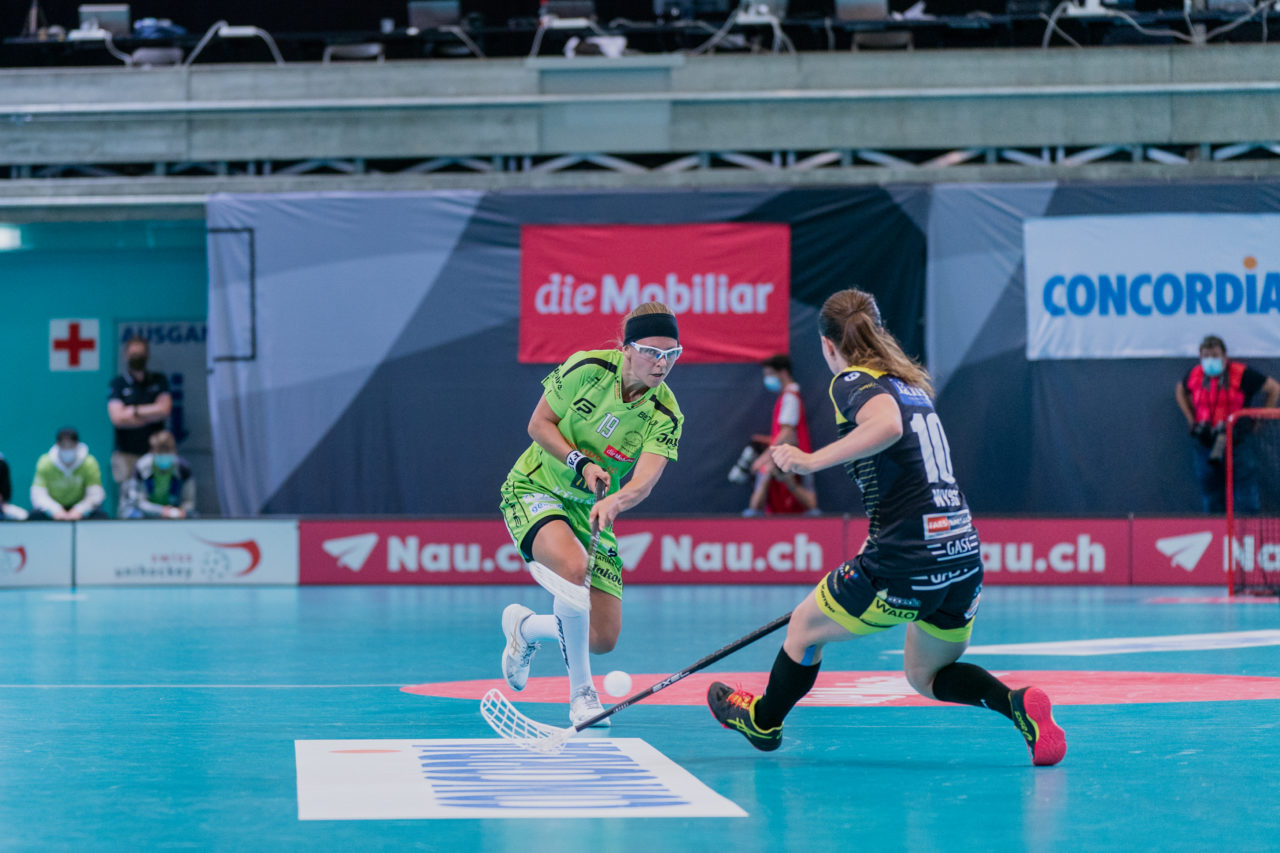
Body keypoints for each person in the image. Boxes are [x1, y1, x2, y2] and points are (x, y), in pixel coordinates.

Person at [706, 288, 1066, 767]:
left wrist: (810, 460)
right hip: (960, 558)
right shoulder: (909, 384)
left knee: (802, 630)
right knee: (926, 674)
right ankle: (1016, 705)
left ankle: (764, 722)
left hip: (907, 562)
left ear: (827, 346)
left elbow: (888, 427)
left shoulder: (852, 380)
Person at [498, 302, 684, 726]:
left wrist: (615, 501)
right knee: (572, 567)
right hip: (536, 487)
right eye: (653, 352)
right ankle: (582, 695)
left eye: (672, 354)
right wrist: (581, 462)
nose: (662, 364)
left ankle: (525, 629)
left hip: (594, 510)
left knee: (601, 638)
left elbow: (644, 481)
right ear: (627, 349)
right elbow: (539, 424)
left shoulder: (666, 413)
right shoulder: (588, 368)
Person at [1174, 334, 1280, 514]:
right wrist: (1191, 420)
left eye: (1215, 356)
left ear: (1224, 356)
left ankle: (1247, 536)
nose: (1210, 360)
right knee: (1211, 496)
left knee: (1246, 496)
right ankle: (1216, 534)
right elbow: (1180, 390)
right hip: (1206, 444)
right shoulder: (1195, 374)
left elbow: (1274, 388)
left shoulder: (1241, 373)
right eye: (1206, 356)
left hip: (1237, 443)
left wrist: (1261, 417)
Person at [743, 353, 819, 517]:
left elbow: (787, 432)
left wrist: (764, 458)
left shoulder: (790, 397)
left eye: (770, 374)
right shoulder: (787, 397)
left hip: (795, 460)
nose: (768, 379)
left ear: (783, 373)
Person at [107, 336, 172, 517]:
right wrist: (149, 414)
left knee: (156, 498)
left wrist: (132, 412)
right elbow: (117, 418)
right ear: (126, 355)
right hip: (126, 454)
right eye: (134, 353)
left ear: (148, 355)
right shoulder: (118, 384)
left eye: (141, 354)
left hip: (155, 455)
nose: (138, 357)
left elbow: (165, 409)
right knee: (128, 502)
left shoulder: (158, 380)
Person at [29, 427, 107, 521]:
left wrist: (79, 510)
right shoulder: (45, 462)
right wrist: (55, 510)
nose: (67, 448)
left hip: (80, 509)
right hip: (54, 509)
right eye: (64, 445)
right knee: (35, 516)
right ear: (58, 445)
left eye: (71, 445)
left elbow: (96, 494)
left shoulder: (89, 463)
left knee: (99, 516)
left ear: (77, 445)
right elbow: (38, 495)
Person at [120, 430, 196, 519]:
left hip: (174, 511)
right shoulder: (141, 467)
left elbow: (189, 501)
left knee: (193, 516)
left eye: (167, 452)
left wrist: (181, 511)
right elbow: (138, 502)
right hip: (145, 512)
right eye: (160, 453)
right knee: (132, 514)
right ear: (152, 452)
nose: (164, 456)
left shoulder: (184, 469)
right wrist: (161, 511)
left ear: (174, 451)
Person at [0, 452, 28, 520]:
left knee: (23, 515)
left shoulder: (2, 464)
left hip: (2, 508)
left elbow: (6, 493)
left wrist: (2, 503)